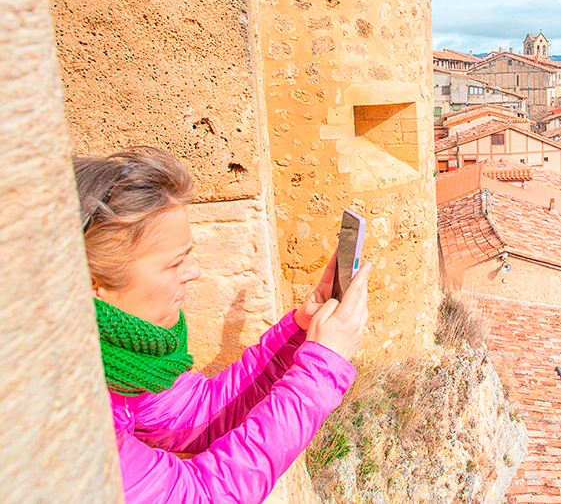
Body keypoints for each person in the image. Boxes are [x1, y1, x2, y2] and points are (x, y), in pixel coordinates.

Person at [74, 146, 369, 504]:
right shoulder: (68, 425)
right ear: (93, 284)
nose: (194, 272)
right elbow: (204, 495)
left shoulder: (120, 367)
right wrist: (321, 370)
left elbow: (196, 414)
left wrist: (298, 338)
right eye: (174, 264)